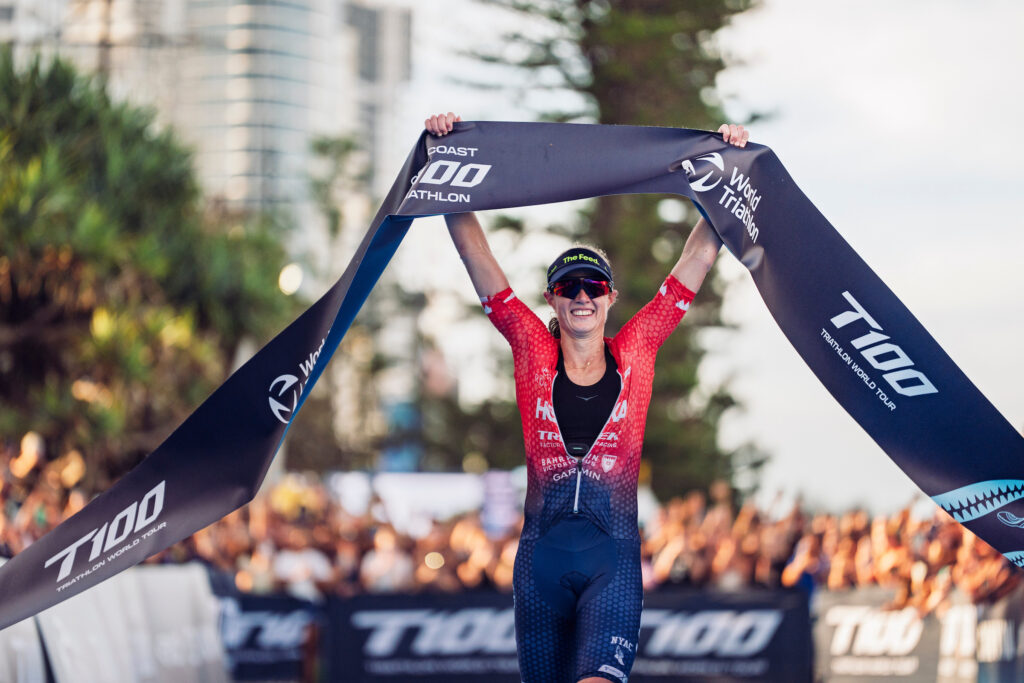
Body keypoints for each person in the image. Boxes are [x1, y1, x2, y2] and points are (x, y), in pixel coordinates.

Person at [425, 112, 748, 683]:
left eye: (593, 287)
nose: (581, 296)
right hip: (539, 567)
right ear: (551, 299)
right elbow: (477, 257)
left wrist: (728, 170)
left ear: (610, 298)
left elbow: (696, 259)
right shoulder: (532, 349)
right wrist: (445, 159)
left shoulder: (638, 349)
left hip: (612, 564)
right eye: (568, 287)